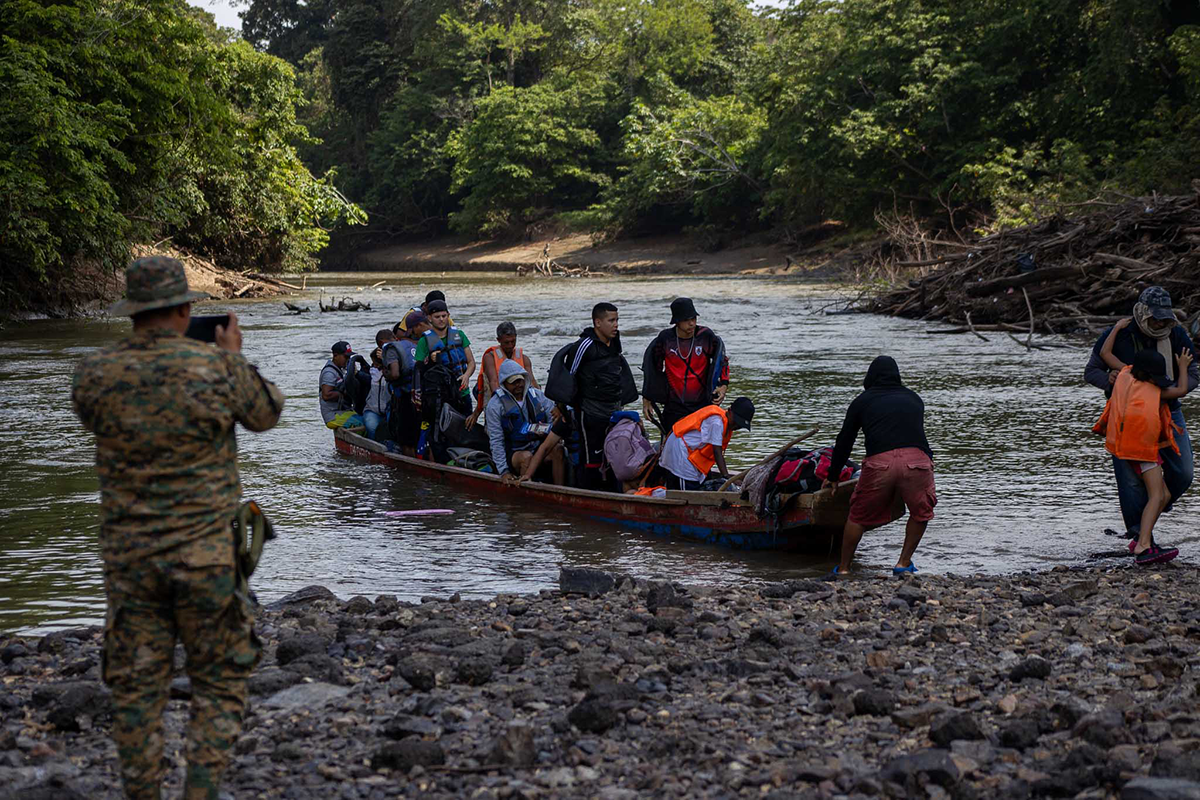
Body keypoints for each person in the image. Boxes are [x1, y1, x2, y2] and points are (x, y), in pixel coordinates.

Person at [71, 256, 284, 800]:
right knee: (219, 681)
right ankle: (201, 790)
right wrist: (232, 359)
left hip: (131, 561)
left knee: (137, 692)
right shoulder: (217, 369)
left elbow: (90, 414)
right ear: (187, 308)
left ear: (132, 313)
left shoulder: (95, 372)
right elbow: (267, 414)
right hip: (209, 558)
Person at [1084, 286, 1198, 542]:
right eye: (1155, 317)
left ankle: (1154, 506)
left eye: (1164, 317)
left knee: (1184, 473)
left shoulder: (1177, 334)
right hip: (1126, 419)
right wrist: (1111, 381)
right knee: (1131, 483)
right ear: (1142, 312)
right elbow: (1092, 370)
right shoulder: (1121, 335)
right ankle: (1140, 536)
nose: (1160, 322)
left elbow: (1192, 376)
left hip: (1169, 412)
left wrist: (1161, 390)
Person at [822, 356, 935, 576]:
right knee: (921, 513)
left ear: (870, 376)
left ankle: (844, 569)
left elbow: (845, 440)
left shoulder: (862, 401)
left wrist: (833, 475)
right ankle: (903, 563)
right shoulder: (914, 399)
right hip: (917, 461)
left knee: (857, 516)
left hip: (880, 464)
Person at [1093, 342, 1190, 564]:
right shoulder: (1154, 390)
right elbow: (1182, 389)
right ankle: (1143, 545)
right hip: (1142, 451)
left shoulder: (1124, 374)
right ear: (1147, 375)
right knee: (1157, 496)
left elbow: (1105, 354)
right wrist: (1183, 366)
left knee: (1164, 495)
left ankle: (1140, 540)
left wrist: (1117, 329)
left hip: (1125, 448)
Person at [545, 302, 639, 490]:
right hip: (589, 413)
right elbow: (568, 376)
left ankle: (613, 491)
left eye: (617, 320)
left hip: (613, 411)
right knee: (591, 460)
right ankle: (588, 494)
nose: (616, 325)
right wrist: (562, 407)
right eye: (611, 320)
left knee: (614, 453)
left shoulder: (614, 343)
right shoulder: (584, 345)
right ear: (597, 322)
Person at [642, 297, 730, 433]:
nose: (692, 324)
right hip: (673, 407)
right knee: (671, 446)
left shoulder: (705, 336)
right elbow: (653, 369)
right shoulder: (665, 339)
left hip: (702, 405)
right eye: (687, 320)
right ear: (676, 321)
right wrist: (647, 398)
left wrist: (723, 386)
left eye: (694, 318)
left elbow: (722, 360)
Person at [487, 360, 565, 485]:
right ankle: (526, 491)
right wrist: (503, 471)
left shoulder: (537, 395)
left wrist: (546, 431)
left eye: (520, 381)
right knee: (526, 457)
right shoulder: (495, 405)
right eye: (513, 383)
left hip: (538, 446)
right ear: (504, 384)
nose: (518, 385)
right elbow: (496, 441)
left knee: (558, 449)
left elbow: (553, 418)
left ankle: (560, 489)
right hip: (514, 452)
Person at [658, 397, 755, 490]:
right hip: (679, 451)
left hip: (689, 452)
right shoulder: (717, 422)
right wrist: (728, 478)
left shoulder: (726, 424)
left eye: (740, 425)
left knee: (696, 485)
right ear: (729, 411)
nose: (736, 426)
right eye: (736, 421)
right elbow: (717, 452)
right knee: (686, 493)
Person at [467, 321, 537, 429]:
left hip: (520, 399)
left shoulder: (524, 358)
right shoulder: (489, 358)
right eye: (506, 342)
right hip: (496, 397)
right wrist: (505, 404)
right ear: (499, 340)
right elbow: (493, 382)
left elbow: (533, 383)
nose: (510, 345)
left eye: (513, 341)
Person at [383, 310, 428, 455]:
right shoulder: (425, 344)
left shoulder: (394, 348)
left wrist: (386, 374)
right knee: (424, 434)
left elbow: (395, 374)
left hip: (406, 397)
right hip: (426, 396)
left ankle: (411, 470)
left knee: (406, 438)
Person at [363, 329, 395, 441]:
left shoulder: (393, 372)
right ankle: (375, 446)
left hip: (389, 410)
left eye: (377, 364)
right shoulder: (373, 373)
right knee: (372, 426)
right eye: (374, 364)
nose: (375, 367)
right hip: (373, 410)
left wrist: (386, 359)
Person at [319, 341, 352, 425]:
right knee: (363, 422)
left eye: (349, 357)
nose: (348, 360)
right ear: (335, 356)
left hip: (341, 411)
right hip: (333, 416)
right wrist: (345, 393)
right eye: (346, 357)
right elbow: (326, 395)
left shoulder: (340, 369)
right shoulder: (329, 373)